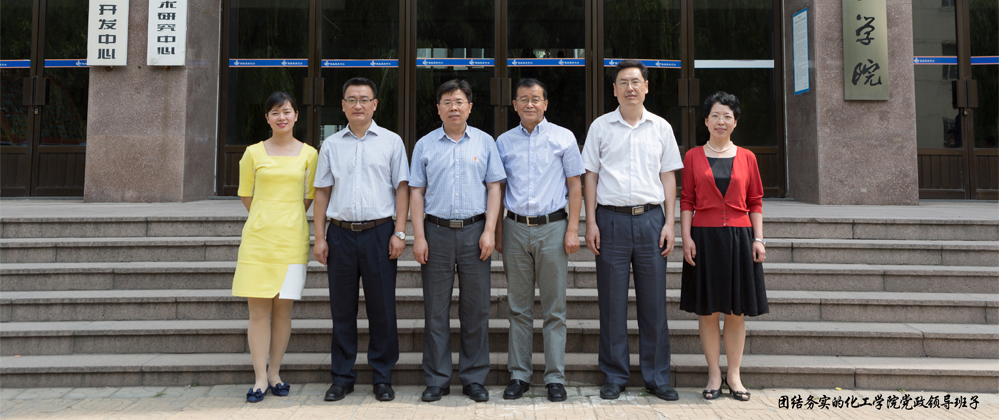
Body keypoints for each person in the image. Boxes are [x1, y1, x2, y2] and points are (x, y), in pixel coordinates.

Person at [581, 60, 683, 401]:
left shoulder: (661, 127)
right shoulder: (600, 127)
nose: (630, 88)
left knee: (654, 303)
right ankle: (614, 375)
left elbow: (668, 176)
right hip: (610, 220)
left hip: (651, 219)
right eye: (623, 82)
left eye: (636, 81)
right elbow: (590, 176)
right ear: (614, 89)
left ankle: (657, 377)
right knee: (611, 303)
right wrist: (590, 221)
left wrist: (669, 223)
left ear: (646, 86)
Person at [313, 77, 409, 402]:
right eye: (351, 99)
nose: (358, 105)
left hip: (380, 233)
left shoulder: (392, 142)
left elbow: (402, 189)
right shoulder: (331, 144)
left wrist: (399, 232)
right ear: (343, 105)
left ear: (374, 105)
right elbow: (322, 192)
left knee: (382, 309)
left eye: (364, 99)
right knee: (342, 310)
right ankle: (342, 377)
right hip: (340, 234)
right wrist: (319, 237)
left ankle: (382, 377)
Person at [409, 79, 506, 403]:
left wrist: (489, 231)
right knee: (435, 311)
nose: (454, 107)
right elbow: (416, 192)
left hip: (474, 231)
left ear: (470, 107)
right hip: (435, 232)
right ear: (438, 108)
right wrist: (418, 236)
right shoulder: (424, 145)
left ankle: (474, 377)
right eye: (447, 102)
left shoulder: (485, 142)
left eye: (459, 101)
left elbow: (494, 188)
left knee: (476, 309)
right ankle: (437, 379)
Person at [495, 78, 584, 402]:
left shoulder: (563, 137)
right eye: (523, 99)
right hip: (516, 228)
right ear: (514, 105)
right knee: (518, 308)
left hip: (553, 228)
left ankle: (554, 378)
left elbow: (575, 185)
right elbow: (499, 188)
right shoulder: (503, 142)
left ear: (545, 103)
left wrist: (573, 229)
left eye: (535, 99)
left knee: (554, 309)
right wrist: (499, 232)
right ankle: (519, 375)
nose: (529, 104)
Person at [680, 91, 767, 402]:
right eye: (715, 115)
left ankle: (734, 375)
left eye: (727, 116)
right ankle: (714, 374)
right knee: (707, 311)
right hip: (703, 238)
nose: (721, 121)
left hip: (739, 239)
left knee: (735, 311)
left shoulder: (747, 157)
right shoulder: (692, 156)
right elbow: (686, 200)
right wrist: (686, 237)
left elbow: (755, 201)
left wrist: (758, 239)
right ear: (706, 121)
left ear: (735, 122)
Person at [232, 91, 318, 403]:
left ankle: (274, 373)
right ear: (267, 118)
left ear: (296, 116)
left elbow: (308, 198)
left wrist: (286, 218)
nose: (282, 117)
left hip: (292, 242)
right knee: (258, 313)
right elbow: (246, 195)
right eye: (275, 112)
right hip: (258, 242)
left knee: (283, 311)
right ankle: (259, 378)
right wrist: (266, 217)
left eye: (287, 111)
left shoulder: (310, 154)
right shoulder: (253, 153)